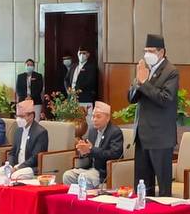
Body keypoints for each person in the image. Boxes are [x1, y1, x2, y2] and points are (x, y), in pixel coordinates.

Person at [128, 33, 179, 197]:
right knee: (142, 185)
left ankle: (164, 212)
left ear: (161, 52)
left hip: (160, 137)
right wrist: (137, 83)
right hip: (142, 136)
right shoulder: (144, 69)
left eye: (151, 51)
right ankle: (144, 209)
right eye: (145, 50)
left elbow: (165, 99)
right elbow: (131, 98)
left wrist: (145, 83)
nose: (147, 54)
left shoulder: (171, 71)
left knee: (163, 186)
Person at [63, 101, 123, 188]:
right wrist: (83, 151)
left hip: (103, 171)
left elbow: (115, 154)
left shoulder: (115, 132)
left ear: (107, 118)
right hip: (89, 168)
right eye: (93, 116)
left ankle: (84, 196)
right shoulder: (92, 130)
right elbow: (89, 151)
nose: (94, 119)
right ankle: (74, 197)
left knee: (84, 178)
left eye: (98, 117)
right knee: (67, 175)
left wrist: (91, 149)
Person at [9, 100, 48, 173]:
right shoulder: (18, 130)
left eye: (21, 116)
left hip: (30, 168)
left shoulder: (41, 132)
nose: (18, 119)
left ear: (31, 116)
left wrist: (18, 168)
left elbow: (35, 158)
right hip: (15, 166)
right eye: (17, 116)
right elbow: (12, 152)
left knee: (16, 175)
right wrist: (10, 166)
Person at [67, 47, 98, 122]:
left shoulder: (91, 67)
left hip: (85, 98)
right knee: (72, 121)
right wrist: (68, 89)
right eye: (80, 53)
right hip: (72, 99)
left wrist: (76, 90)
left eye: (84, 53)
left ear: (88, 54)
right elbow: (66, 79)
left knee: (86, 121)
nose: (81, 55)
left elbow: (90, 81)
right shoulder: (73, 66)